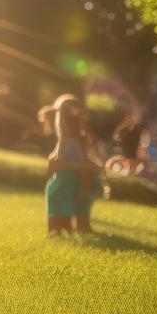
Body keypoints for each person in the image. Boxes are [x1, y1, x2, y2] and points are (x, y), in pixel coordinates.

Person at [38, 95, 103, 236]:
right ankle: (65, 227)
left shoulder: (76, 139)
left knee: (63, 188)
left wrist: (63, 165)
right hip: (75, 178)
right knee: (60, 190)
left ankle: (68, 227)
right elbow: (56, 162)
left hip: (79, 178)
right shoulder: (67, 140)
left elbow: (82, 163)